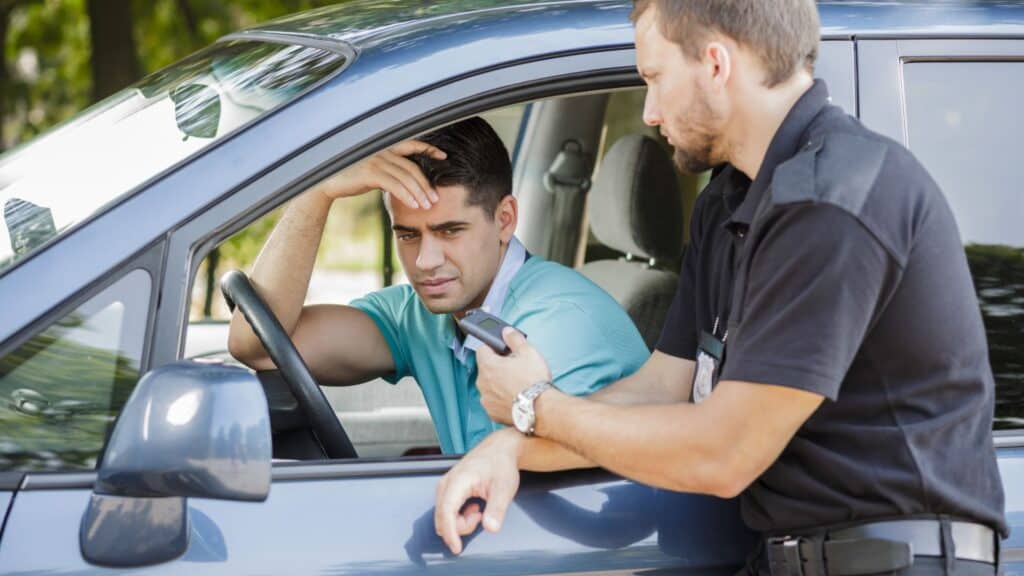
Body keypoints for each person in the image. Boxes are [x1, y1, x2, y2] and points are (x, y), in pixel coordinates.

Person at [434, 2, 1007, 574]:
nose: (651, 113)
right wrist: (512, 444)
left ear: (715, 64)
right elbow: (662, 387)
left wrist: (537, 406)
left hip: (898, 562)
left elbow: (727, 452)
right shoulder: (730, 204)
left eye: (654, 79)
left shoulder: (831, 200)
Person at [227, 117, 649, 455]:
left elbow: (525, 503)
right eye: (408, 235)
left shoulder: (563, 326)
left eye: (450, 231)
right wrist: (316, 193)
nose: (425, 263)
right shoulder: (421, 313)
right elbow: (258, 345)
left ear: (504, 220)